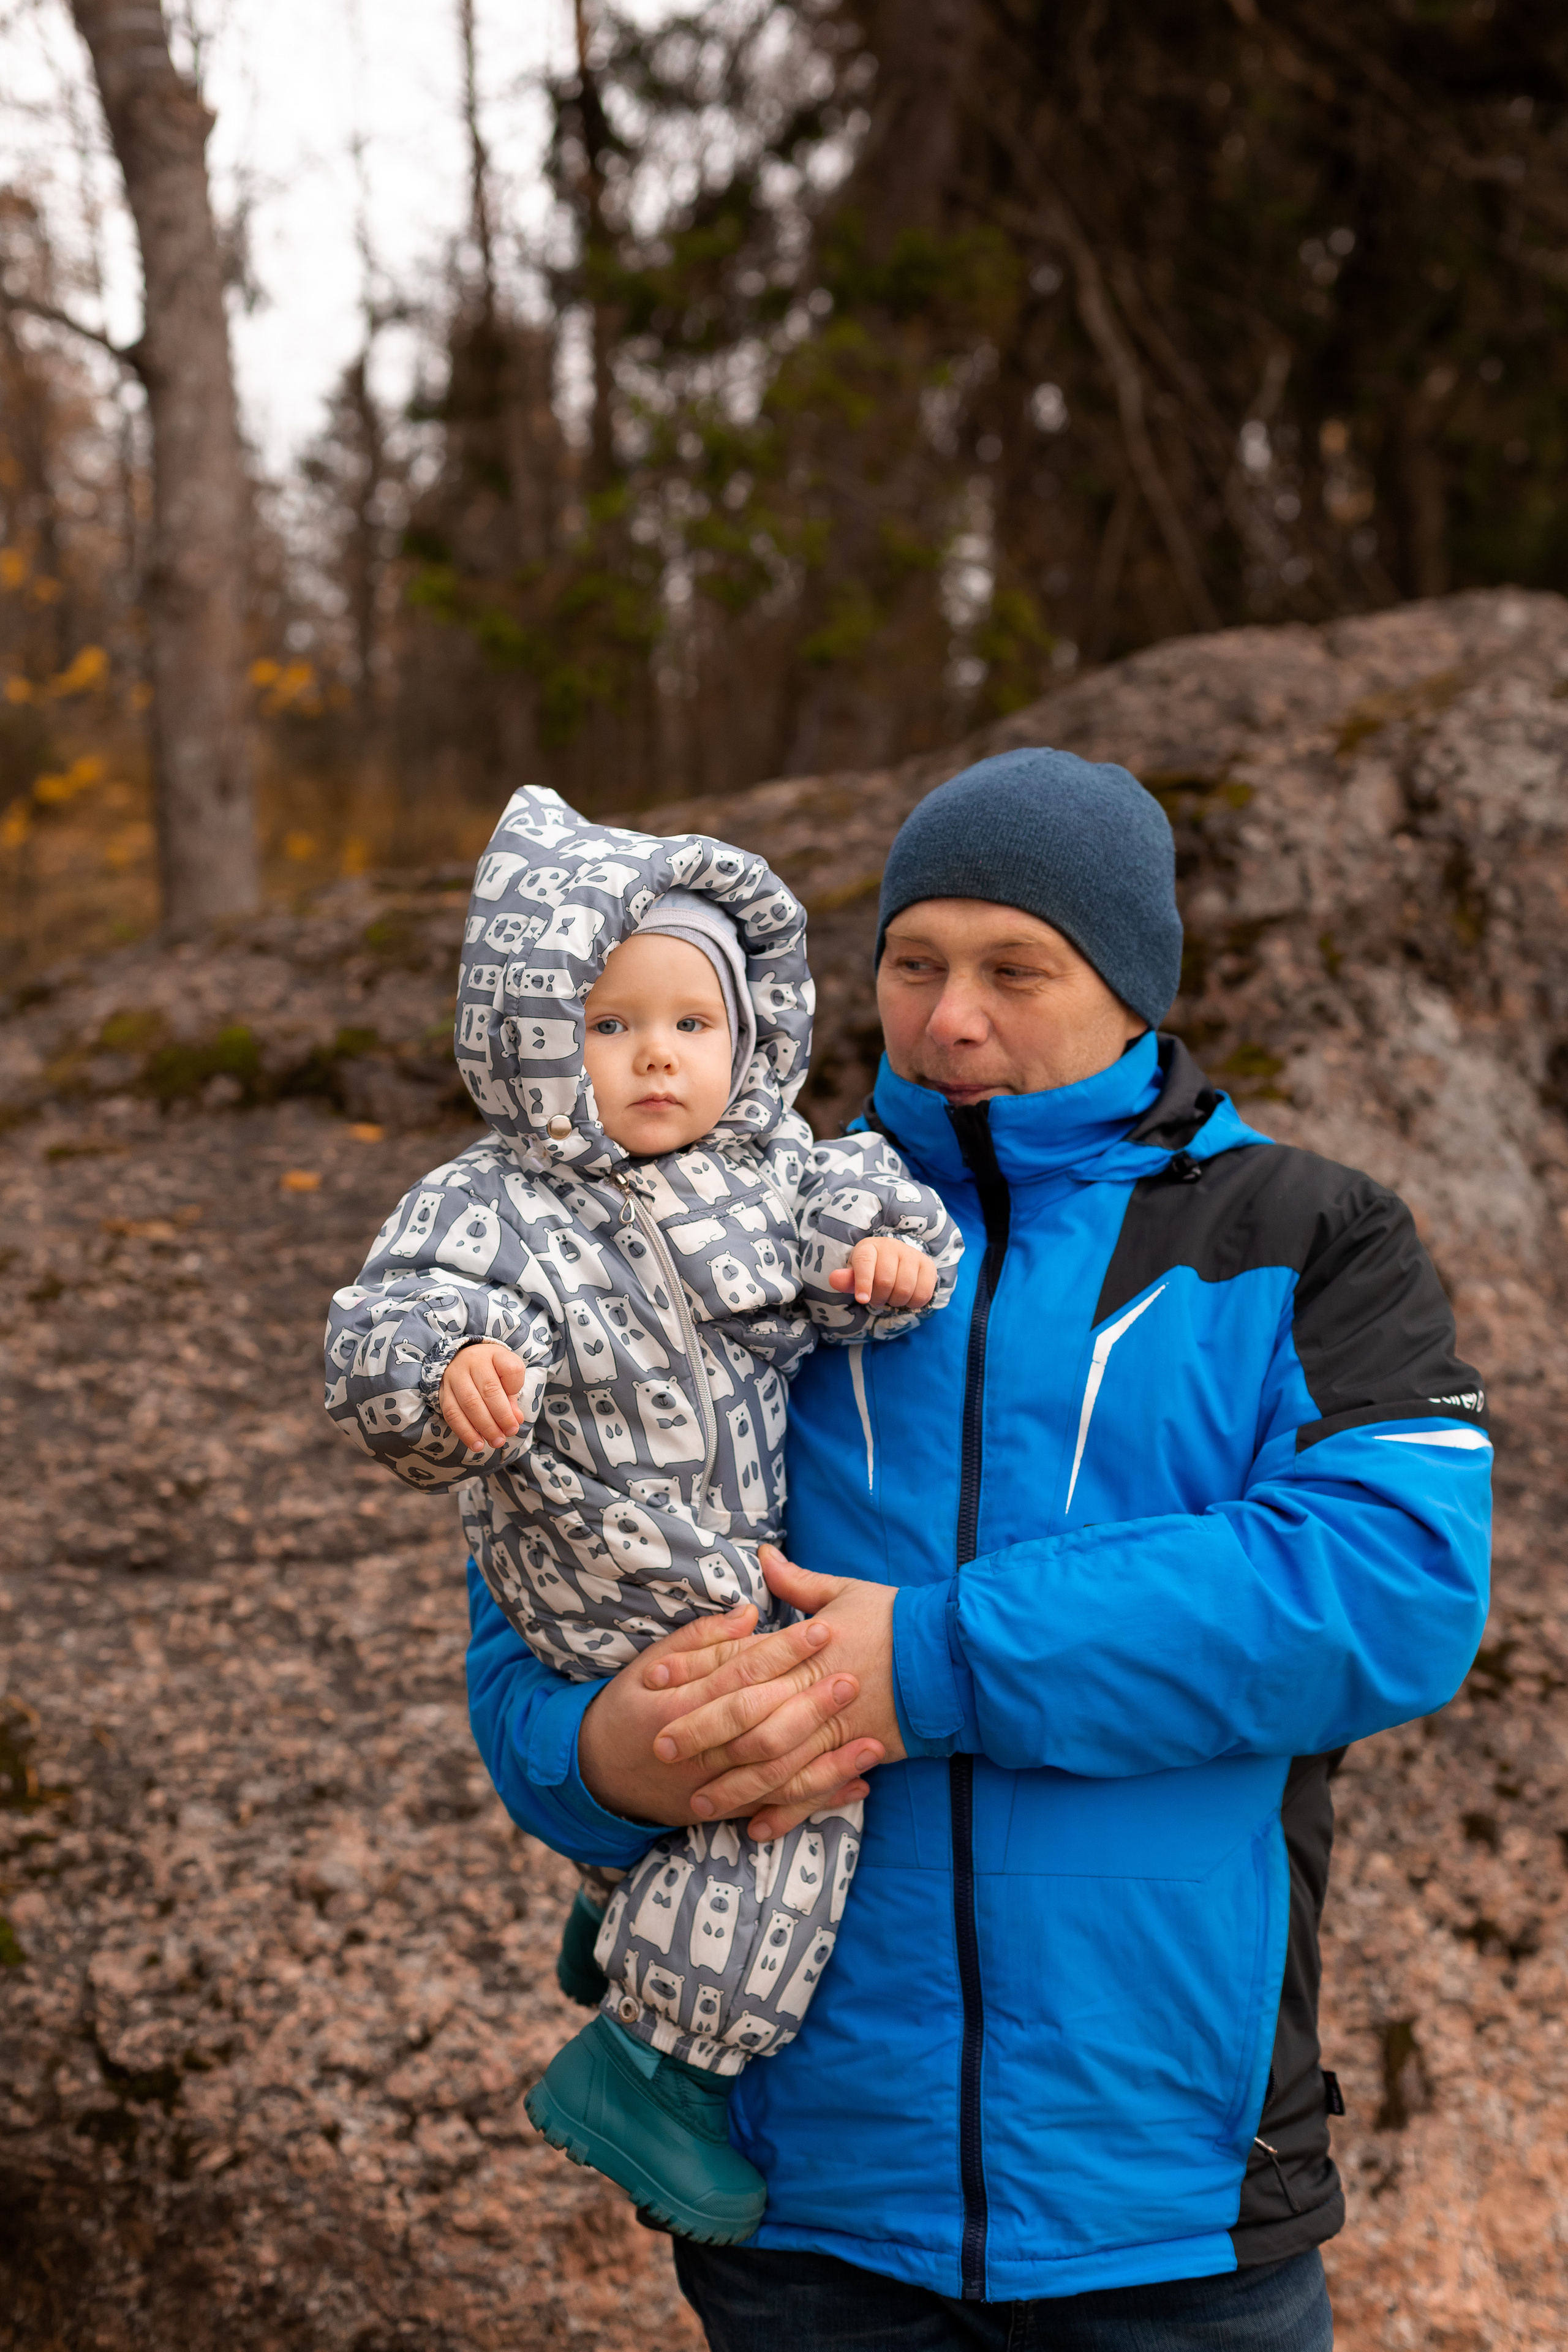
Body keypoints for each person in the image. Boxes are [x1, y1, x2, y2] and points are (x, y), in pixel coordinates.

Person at [465, 748, 1492, 2351]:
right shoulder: (710, 1232)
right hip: (802, 2213)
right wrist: (603, 1758)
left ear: (1132, 987)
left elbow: (1391, 1583)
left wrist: (928, 1660)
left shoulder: (1303, 1238)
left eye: (1016, 970)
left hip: (1170, 2205)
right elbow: (528, 1637)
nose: (948, 1020)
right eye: (914, 964)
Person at [325, 788, 961, 2246]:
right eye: (609, 1026)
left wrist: (883, 1255)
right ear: (535, 1042)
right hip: (597, 1546)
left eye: (690, 1022)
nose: (657, 1056)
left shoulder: (769, 1167)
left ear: (748, 1034)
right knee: (791, 1781)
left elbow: (852, 1209)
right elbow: (393, 1317)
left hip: (715, 1542)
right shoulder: (497, 1200)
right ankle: (656, 2067)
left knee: (745, 1735)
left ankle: (628, 1905)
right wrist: (450, 1370)